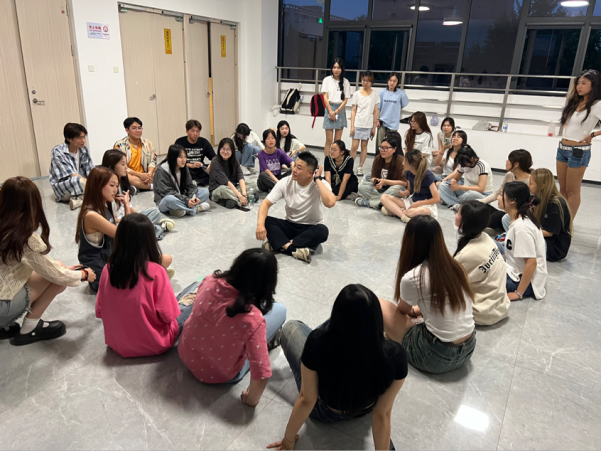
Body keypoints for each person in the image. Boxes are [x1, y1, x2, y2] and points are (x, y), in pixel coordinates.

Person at [269, 284, 407, 451]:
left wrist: (288, 439)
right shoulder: (396, 354)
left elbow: (307, 399)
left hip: (326, 412)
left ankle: (341, 325)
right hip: (366, 408)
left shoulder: (318, 343)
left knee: (291, 327)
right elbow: (382, 414)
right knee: (357, 316)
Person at [0, 177, 96, 346]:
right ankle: (30, 328)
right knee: (58, 277)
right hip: (3, 308)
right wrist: (83, 274)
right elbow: (57, 276)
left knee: (58, 269)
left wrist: (64, 271)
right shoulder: (24, 237)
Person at [380, 215, 476, 374]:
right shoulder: (456, 266)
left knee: (378, 304)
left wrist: (413, 313)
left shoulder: (414, 276)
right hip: (468, 348)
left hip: (434, 356)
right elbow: (442, 303)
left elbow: (403, 310)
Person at [96, 214, 193, 358]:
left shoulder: (108, 268)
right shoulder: (157, 271)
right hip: (155, 343)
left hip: (117, 344)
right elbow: (169, 315)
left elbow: (99, 310)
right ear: (150, 240)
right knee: (195, 292)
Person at [76, 167, 173, 293]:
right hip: (100, 275)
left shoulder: (103, 207)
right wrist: (126, 206)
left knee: (164, 258)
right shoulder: (91, 215)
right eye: (112, 185)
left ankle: (153, 275)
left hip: (110, 262)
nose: (115, 190)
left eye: (117, 186)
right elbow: (126, 235)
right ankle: (153, 276)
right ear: (97, 185)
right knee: (162, 260)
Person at [256, 152, 336, 264]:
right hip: (290, 225)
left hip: (310, 228)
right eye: (295, 165)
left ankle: (279, 244)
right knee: (265, 220)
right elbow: (265, 203)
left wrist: (317, 178)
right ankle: (292, 249)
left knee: (323, 231)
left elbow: (330, 203)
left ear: (310, 173)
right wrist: (260, 225)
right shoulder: (285, 182)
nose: (294, 170)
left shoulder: (320, 184)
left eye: (299, 168)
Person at [454, 201, 510, 326]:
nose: (455, 214)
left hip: (482, 312)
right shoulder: (485, 237)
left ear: (466, 221)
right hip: (500, 306)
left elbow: (450, 285)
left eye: (458, 213)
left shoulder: (467, 254)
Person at [102, 150, 175, 240]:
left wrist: (142, 218)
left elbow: (129, 208)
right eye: (123, 164)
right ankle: (155, 229)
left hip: (127, 217)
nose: (126, 167)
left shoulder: (122, 182)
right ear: (111, 166)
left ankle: (149, 229)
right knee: (130, 233)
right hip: (119, 224)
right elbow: (109, 219)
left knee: (154, 212)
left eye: (126, 164)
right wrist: (132, 221)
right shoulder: (107, 189)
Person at [557, 69, 601, 218]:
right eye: (578, 83)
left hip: (578, 151)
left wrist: (592, 135)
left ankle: (568, 223)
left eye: (584, 83)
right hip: (562, 148)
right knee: (562, 189)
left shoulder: (597, 105)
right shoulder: (575, 102)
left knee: (572, 191)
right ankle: (560, 219)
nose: (579, 86)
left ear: (594, 85)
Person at [501, 182, 548, 300]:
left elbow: (531, 263)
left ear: (512, 201)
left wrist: (518, 293)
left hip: (524, 281)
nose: (498, 197)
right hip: (515, 271)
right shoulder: (518, 219)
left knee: (479, 280)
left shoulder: (522, 227)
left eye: (502, 195)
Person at [380, 149, 439, 223]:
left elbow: (437, 199)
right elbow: (409, 191)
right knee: (384, 197)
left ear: (411, 164)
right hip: (411, 202)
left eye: (405, 161)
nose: (402, 163)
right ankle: (404, 216)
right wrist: (404, 193)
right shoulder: (409, 173)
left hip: (425, 204)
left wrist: (418, 203)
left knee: (422, 211)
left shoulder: (428, 175)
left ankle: (397, 211)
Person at [153, 144, 211, 218]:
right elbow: (167, 192)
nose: (184, 160)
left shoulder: (184, 167)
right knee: (170, 199)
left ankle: (180, 209)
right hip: (165, 200)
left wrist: (192, 198)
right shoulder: (161, 171)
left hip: (182, 197)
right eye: (180, 157)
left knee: (205, 192)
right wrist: (186, 200)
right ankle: (194, 209)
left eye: (185, 157)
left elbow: (190, 186)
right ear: (173, 157)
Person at [481, 149, 532, 232]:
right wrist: (480, 202)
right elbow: (498, 193)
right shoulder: (509, 175)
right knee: (483, 207)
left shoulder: (530, 181)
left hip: (515, 216)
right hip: (507, 210)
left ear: (516, 164)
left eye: (509, 160)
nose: (506, 161)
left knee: (498, 216)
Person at [529, 168, 573, 262]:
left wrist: (526, 232)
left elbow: (549, 232)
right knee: (507, 219)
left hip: (553, 247)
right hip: (541, 237)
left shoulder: (555, 204)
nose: (528, 185)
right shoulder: (537, 198)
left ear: (542, 186)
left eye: (531, 183)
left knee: (520, 240)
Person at [49, 123, 95, 210]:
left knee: (99, 179)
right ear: (69, 139)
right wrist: (89, 183)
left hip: (83, 184)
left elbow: (90, 169)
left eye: (84, 137)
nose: (83, 140)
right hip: (65, 188)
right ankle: (89, 197)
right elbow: (71, 174)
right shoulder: (58, 151)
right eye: (80, 138)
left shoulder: (84, 149)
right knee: (78, 180)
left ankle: (80, 200)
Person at [355, 137, 406, 210]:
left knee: (397, 189)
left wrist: (385, 181)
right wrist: (376, 182)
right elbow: (373, 177)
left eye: (386, 148)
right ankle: (383, 202)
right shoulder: (378, 158)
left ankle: (370, 202)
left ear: (394, 149)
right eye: (381, 147)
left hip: (392, 189)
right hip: (381, 189)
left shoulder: (401, 160)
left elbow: (404, 183)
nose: (382, 150)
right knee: (361, 186)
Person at [438, 145, 494, 211]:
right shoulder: (463, 164)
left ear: (472, 159)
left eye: (465, 164)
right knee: (443, 185)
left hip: (482, 195)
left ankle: (449, 200)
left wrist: (459, 187)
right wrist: (453, 182)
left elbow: (480, 189)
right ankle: (455, 204)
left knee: (471, 194)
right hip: (468, 191)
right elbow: (455, 178)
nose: (463, 166)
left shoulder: (482, 166)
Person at [210, 137, 256, 209]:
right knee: (223, 189)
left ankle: (236, 199)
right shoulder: (215, 161)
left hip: (233, 188)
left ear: (232, 151)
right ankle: (241, 200)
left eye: (228, 149)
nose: (225, 152)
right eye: (223, 149)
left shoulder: (234, 160)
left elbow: (241, 178)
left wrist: (244, 194)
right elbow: (226, 182)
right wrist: (240, 196)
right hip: (218, 189)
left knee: (253, 184)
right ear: (219, 149)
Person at [113, 117, 157, 191]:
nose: (138, 131)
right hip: (129, 174)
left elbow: (152, 162)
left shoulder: (148, 143)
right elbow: (120, 166)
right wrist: (139, 175)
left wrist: (149, 174)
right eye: (134, 128)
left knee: (159, 172)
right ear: (127, 130)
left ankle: (137, 187)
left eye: (139, 128)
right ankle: (151, 186)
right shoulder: (120, 145)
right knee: (127, 177)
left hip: (145, 173)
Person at [350, 71, 380, 176]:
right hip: (357, 123)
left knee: (364, 146)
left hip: (368, 124)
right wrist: (352, 126)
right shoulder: (356, 94)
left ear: (372, 82)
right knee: (354, 147)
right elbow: (353, 110)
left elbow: (376, 111)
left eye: (367, 80)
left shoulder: (375, 94)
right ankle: (350, 167)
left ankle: (360, 167)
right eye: (363, 80)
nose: (365, 82)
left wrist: (374, 126)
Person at [321, 58, 350, 157]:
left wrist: (336, 111)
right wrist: (331, 111)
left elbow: (345, 100)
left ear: (342, 69)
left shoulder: (346, 82)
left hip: (340, 109)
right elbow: (325, 97)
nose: (336, 70)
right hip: (329, 108)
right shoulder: (327, 80)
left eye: (338, 67)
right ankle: (327, 160)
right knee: (329, 140)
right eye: (334, 67)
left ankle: (335, 160)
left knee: (337, 141)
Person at [174, 119, 216, 187]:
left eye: (198, 131)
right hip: (185, 169)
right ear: (187, 131)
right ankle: (192, 182)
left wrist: (211, 165)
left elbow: (214, 158)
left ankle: (196, 182)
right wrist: (191, 165)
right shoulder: (180, 142)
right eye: (193, 131)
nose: (195, 134)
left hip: (199, 170)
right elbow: (175, 161)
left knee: (214, 174)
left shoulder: (204, 142)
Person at [376, 72, 410, 151]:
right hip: (382, 122)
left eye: (394, 81)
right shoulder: (382, 92)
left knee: (391, 145)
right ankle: (379, 158)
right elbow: (378, 107)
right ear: (387, 81)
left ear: (398, 82)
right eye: (390, 80)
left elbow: (403, 105)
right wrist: (377, 120)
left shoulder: (401, 94)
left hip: (393, 123)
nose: (392, 83)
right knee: (380, 145)